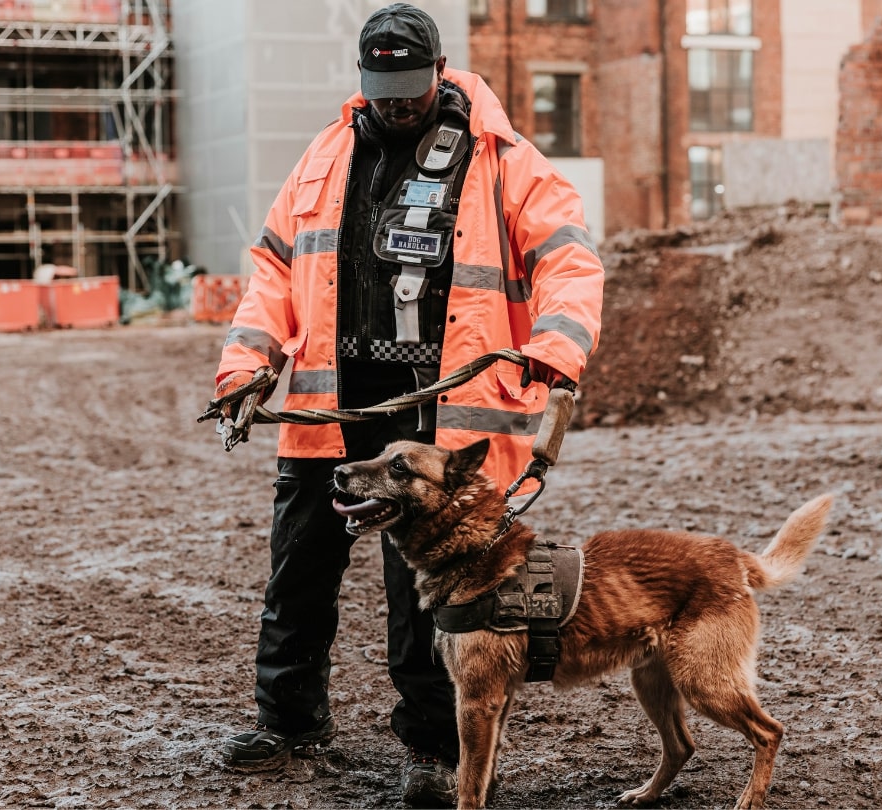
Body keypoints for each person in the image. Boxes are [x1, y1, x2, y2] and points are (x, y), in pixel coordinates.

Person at [212, 3, 604, 806]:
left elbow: (569, 257)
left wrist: (557, 353)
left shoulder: (502, 159)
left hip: (438, 418)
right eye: (381, 87)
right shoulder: (326, 156)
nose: (396, 102)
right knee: (299, 571)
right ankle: (289, 720)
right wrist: (247, 367)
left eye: (409, 87)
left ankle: (432, 748)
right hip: (331, 411)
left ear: (439, 72)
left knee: (432, 590)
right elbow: (274, 271)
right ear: (363, 81)